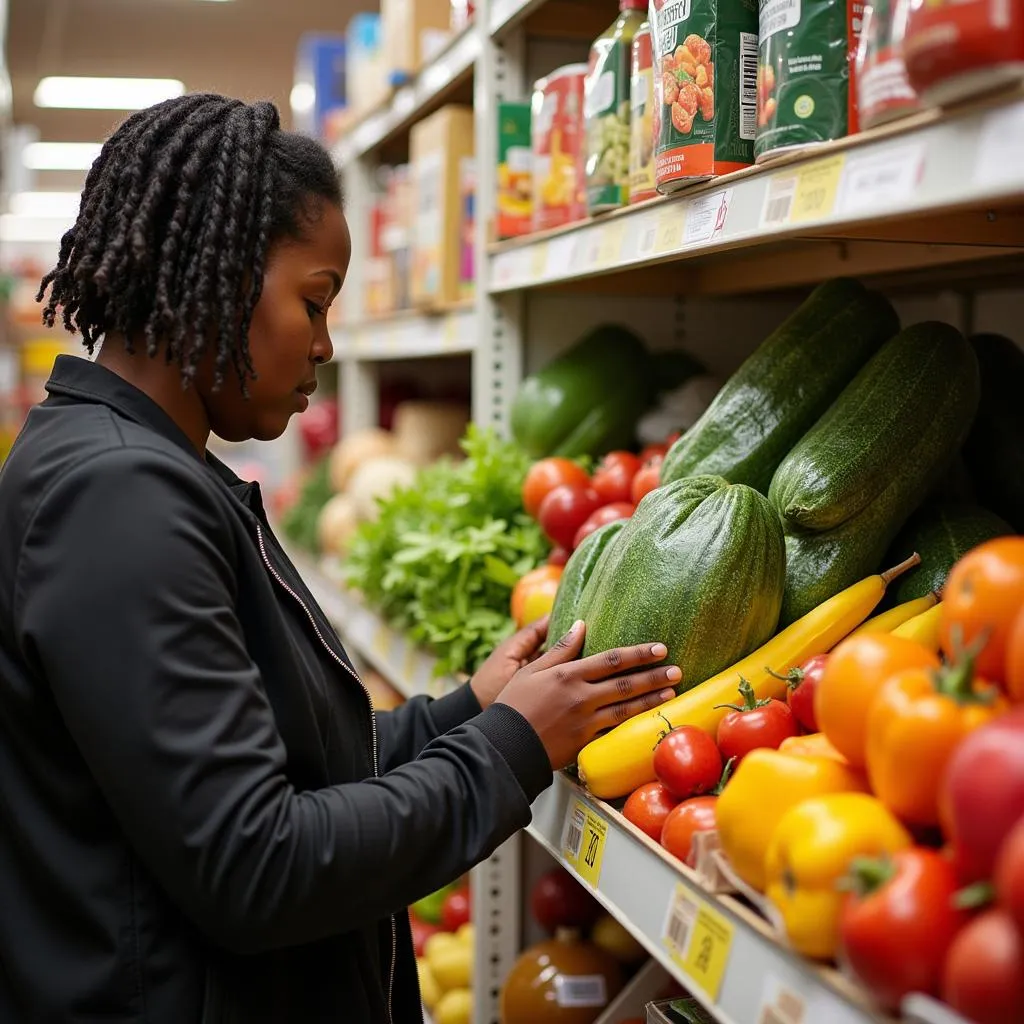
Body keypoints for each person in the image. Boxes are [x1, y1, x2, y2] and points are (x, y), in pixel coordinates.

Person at [0, 94, 680, 1023]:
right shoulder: (116, 500)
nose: (324, 344)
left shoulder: (145, 470)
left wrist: (466, 713)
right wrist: (509, 749)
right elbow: (258, 864)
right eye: (313, 302)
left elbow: (281, 757)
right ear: (222, 268)